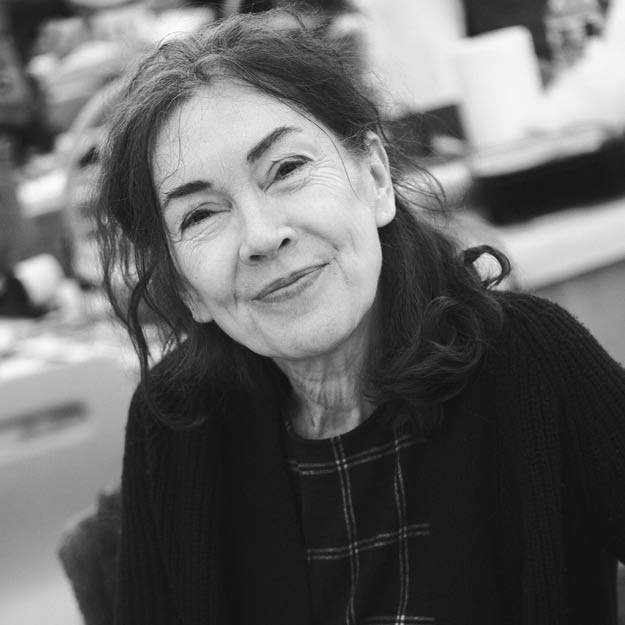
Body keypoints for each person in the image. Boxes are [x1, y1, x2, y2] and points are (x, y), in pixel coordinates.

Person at [96, 9, 625, 625]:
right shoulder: (177, 424)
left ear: (374, 178)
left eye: (287, 170)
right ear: (183, 285)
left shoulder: (532, 361)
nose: (262, 237)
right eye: (200, 215)